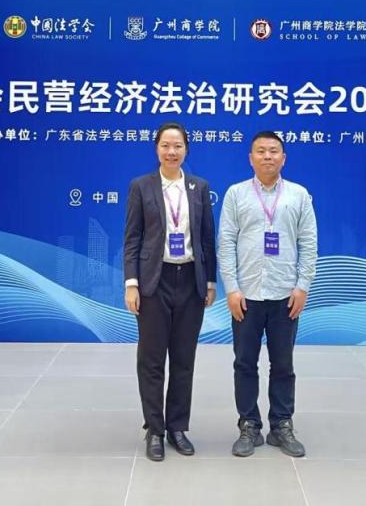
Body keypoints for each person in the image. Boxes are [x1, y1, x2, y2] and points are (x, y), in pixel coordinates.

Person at [217, 130, 317, 458]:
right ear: (251, 158)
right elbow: (226, 243)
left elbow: (309, 243)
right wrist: (232, 288)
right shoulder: (236, 194)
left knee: (283, 364)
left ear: (283, 158)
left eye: (274, 151)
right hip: (246, 295)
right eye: (261, 151)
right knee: (245, 363)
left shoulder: (299, 195)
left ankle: (281, 425)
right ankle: (249, 425)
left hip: (285, 294)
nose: (267, 156)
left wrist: (302, 286)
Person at [123, 121, 217, 461]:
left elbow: (207, 238)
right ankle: (155, 429)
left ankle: (177, 427)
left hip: (190, 281)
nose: (171, 151)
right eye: (165, 145)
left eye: (177, 146)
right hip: (154, 281)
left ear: (186, 149)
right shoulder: (141, 186)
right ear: (156, 148)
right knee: (151, 360)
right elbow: (132, 238)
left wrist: (210, 281)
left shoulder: (199, 187)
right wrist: (131, 283)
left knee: (183, 359)